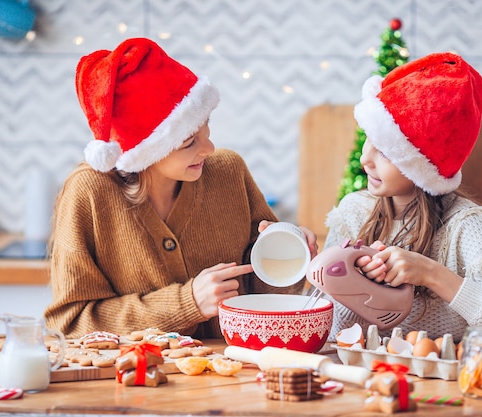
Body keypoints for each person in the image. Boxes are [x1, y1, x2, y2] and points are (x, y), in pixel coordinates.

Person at [43, 38, 315, 340]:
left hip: (233, 373)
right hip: (134, 380)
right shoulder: (89, 193)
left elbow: (264, 295)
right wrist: (187, 304)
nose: (209, 149)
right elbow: (69, 323)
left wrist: (292, 259)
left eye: (206, 127)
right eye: (188, 143)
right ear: (147, 151)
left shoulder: (229, 172)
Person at [324, 52, 482, 358]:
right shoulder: (352, 213)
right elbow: (329, 333)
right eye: (368, 139)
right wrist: (351, 283)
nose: (365, 159)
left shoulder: (466, 225)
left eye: (386, 151)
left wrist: (432, 274)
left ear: (422, 164)